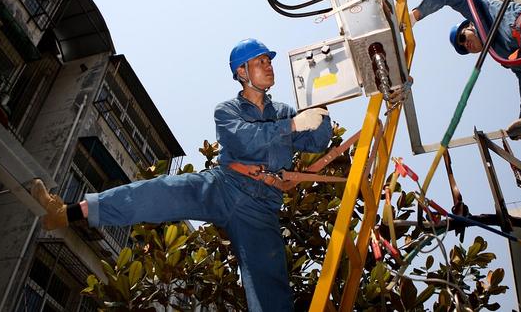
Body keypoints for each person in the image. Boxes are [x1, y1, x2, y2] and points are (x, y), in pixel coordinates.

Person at [31, 38, 332, 312]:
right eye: (261, 61)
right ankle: (66, 211)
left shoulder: (283, 111)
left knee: (269, 284)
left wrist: (322, 108)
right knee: (155, 193)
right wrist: (292, 126)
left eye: (269, 61)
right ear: (242, 71)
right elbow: (243, 139)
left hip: (261, 207)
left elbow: (316, 142)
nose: (269, 67)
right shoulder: (227, 110)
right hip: (224, 185)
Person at [410, 0, 521, 139]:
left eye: (462, 37)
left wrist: (415, 16)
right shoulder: (503, 54)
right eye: (464, 48)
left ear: (470, 25)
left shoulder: (482, 13)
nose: (465, 44)